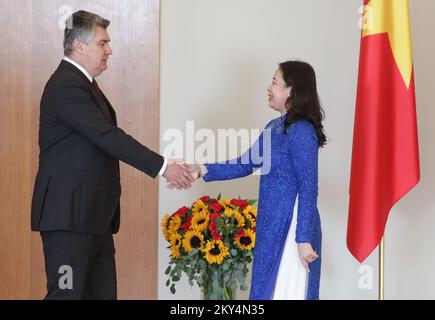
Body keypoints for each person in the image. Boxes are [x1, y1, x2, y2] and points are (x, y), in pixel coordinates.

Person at [30, 10, 194, 300]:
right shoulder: (66, 84)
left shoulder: (82, 83)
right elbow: (107, 137)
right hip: (69, 220)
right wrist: (163, 166)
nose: (110, 50)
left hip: (93, 219)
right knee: (66, 295)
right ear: (78, 45)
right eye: (102, 43)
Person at [172, 61, 326, 300]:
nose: (268, 87)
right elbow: (245, 163)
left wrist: (303, 238)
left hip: (292, 227)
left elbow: (308, 188)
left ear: (291, 91)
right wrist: (201, 169)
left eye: (274, 82)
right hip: (271, 224)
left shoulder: (302, 131)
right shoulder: (274, 127)